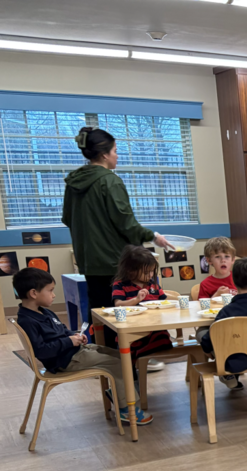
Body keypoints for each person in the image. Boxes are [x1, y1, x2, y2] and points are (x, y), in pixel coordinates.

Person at [62, 126, 171, 348]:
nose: (117, 155)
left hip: (89, 262)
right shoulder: (109, 181)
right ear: (104, 154)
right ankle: (135, 357)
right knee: (127, 313)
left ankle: (104, 358)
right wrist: (153, 236)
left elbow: (67, 218)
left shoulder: (73, 183)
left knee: (101, 315)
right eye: (115, 150)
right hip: (115, 261)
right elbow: (126, 222)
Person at [13, 266, 151, 425]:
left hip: (75, 352)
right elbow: (42, 351)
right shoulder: (28, 320)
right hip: (66, 361)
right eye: (50, 290)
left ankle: (119, 393)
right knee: (119, 364)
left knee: (123, 356)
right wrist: (69, 341)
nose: (53, 294)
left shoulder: (43, 312)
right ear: (33, 293)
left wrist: (73, 335)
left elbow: (62, 331)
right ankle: (127, 410)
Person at [198, 258, 247, 383]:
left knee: (202, 332)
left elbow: (209, 337)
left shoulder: (227, 310)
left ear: (234, 283)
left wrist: (207, 350)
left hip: (228, 361)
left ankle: (222, 365)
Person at [111, 246, 174, 366]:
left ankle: (148, 357)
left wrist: (176, 301)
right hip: (132, 327)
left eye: (152, 271)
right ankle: (141, 359)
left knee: (162, 334)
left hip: (153, 324)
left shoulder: (152, 285)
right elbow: (118, 305)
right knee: (135, 340)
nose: (150, 275)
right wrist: (136, 299)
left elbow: (164, 301)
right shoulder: (120, 284)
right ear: (130, 270)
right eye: (146, 272)